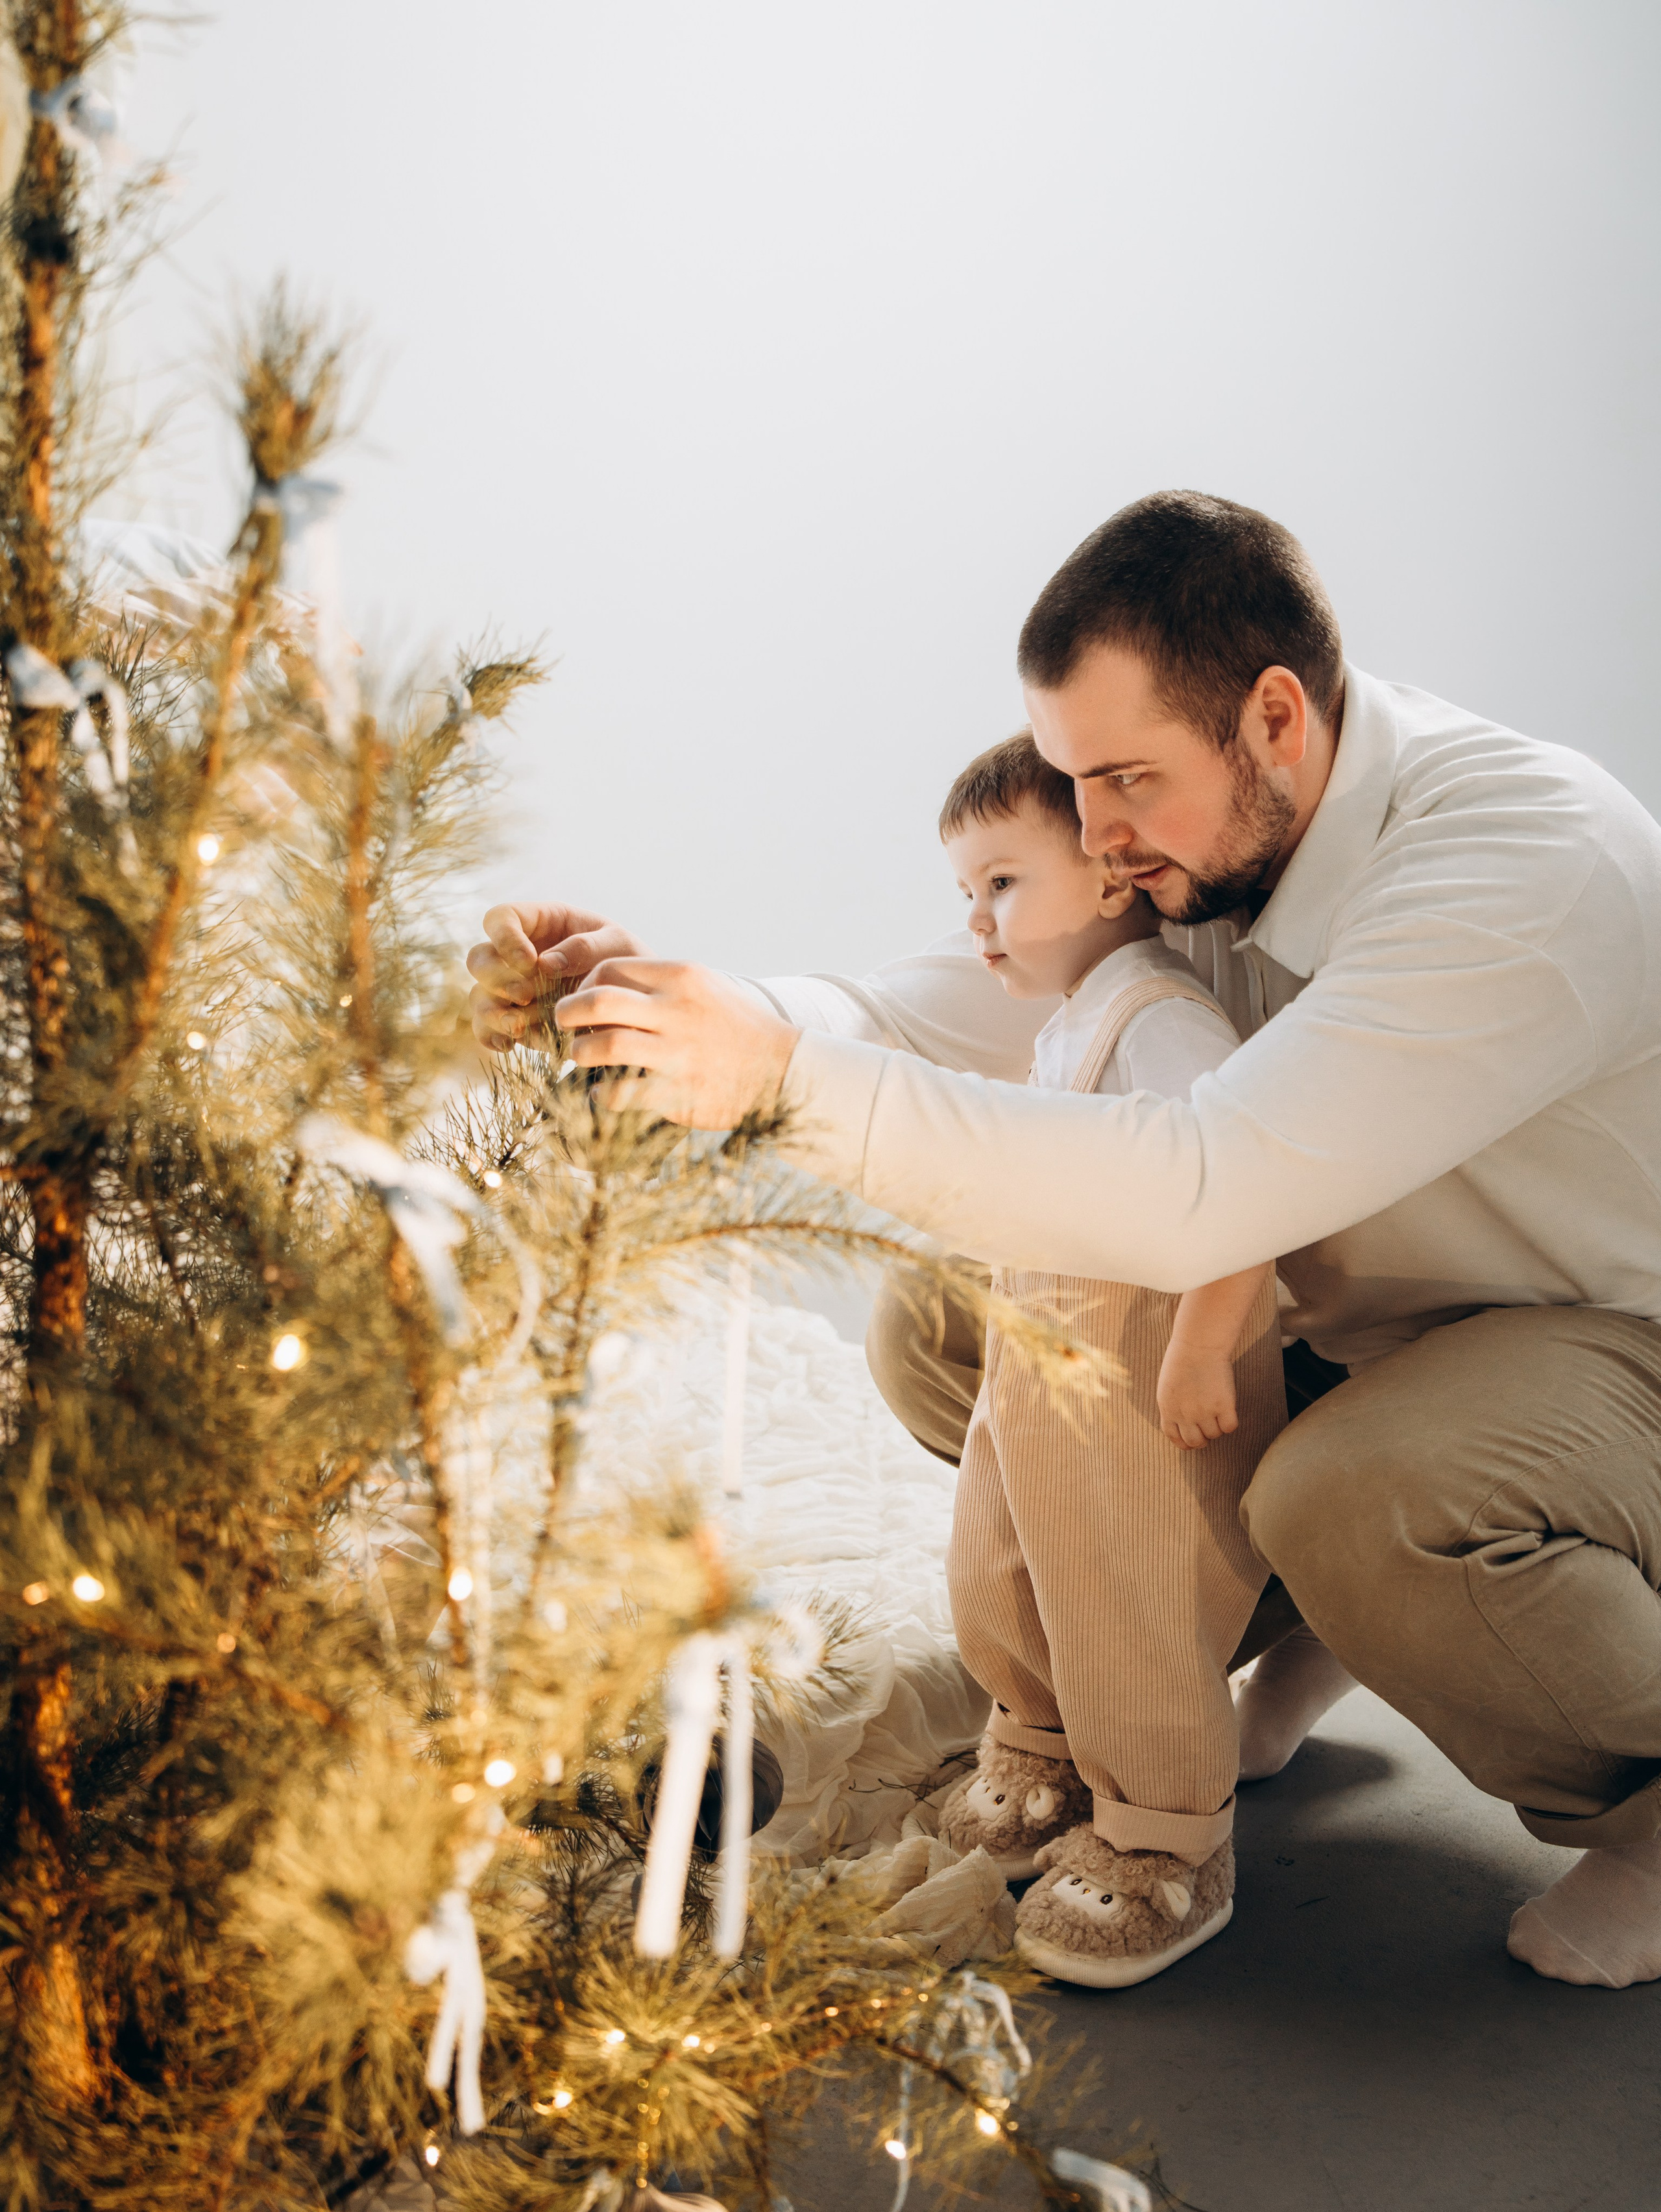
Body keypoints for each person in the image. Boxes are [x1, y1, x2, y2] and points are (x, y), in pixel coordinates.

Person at [468, 490, 1661, 1991]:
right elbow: (976, 1002)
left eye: (1119, 780)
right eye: (1067, 779)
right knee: (953, 1322)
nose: (1091, 835)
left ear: (1274, 719)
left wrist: (771, 1082)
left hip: (1608, 1348)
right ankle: (1284, 1634)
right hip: (1363, 1335)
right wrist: (673, 1006)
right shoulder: (1211, 837)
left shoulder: (1518, 863)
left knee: (1359, 1494)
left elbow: (1210, 1180)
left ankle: (1641, 1803)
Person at [932, 729, 1286, 1987]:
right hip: (1044, 1368)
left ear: (1104, 876)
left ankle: (1163, 1833)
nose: (975, 919)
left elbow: (1249, 1177)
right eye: (962, 893)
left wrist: (1197, 1346)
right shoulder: (1062, 1030)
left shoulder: (1157, 1019)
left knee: (1122, 1592)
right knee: (1001, 1556)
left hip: (1138, 1373)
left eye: (1000, 884)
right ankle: (1035, 1740)